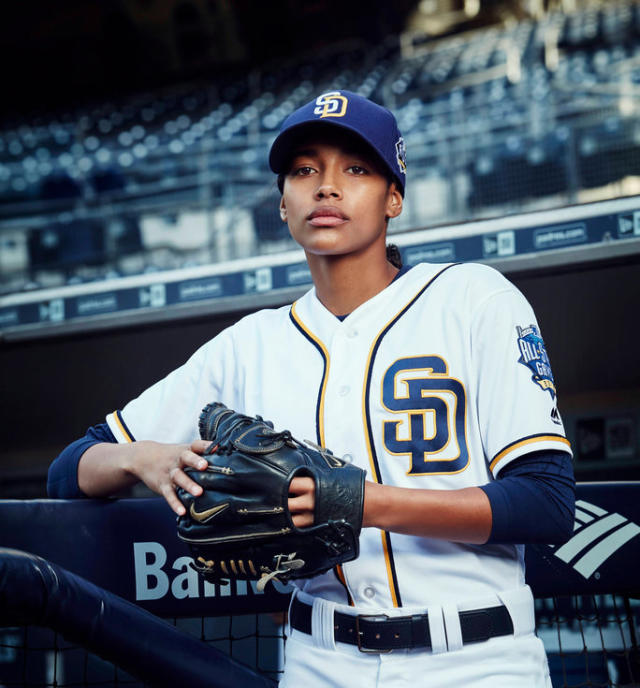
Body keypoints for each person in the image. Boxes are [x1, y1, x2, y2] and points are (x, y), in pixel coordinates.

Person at [48, 90, 575, 687]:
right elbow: (70, 468)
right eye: (304, 171)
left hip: (479, 659)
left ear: (394, 198)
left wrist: (360, 503)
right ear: (282, 205)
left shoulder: (475, 298)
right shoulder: (249, 345)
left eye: (355, 168)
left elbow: (546, 503)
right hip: (318, 661)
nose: (326, 187)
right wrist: (147, 458)